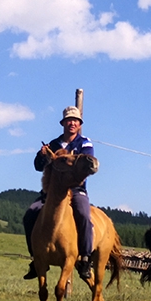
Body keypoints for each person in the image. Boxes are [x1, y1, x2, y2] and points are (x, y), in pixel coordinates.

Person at [22, 106, 95, 281]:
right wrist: (42, 156)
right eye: (69, 120)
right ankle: (37, 258)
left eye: (75, 120)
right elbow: (39, 167)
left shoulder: (85, 143)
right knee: (30, 214)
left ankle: (85, 259)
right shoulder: (53, 144)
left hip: (76, 190)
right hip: (52, 192)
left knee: (84, 215)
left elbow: (87, 165)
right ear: (63, 123)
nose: (72, 123)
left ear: (79, 124)